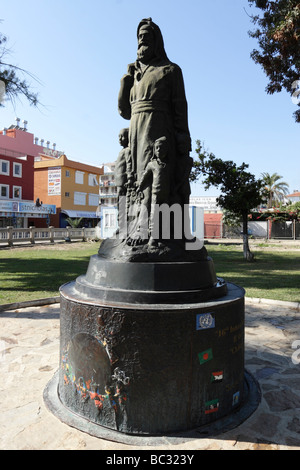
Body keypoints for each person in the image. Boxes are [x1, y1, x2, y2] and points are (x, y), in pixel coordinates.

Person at [118, 18, 191, 215]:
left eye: (146, 36)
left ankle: (154, 230)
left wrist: (183, 135)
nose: (142, 40)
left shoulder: (170, 70)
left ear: (156, 40)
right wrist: (126, 81)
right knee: (134, 177)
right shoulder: (133, 74)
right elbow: (124, 112)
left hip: (157, 128)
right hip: (135, 132)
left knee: (154, 177)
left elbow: (180, 107)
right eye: (139, 37)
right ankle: (133, 225)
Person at [136, 136, 170, 246]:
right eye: (157, 148)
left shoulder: (168, 166)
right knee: (154, 216)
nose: (159, 150)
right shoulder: (152, 164)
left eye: (162, 148)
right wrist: (139, 187)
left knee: (165, 216)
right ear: (154, 151)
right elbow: (144, 177)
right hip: (155, 194)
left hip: (166, 195)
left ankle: (163, 238)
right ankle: (153, 238)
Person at [114, 128, 133, 232]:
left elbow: (129, 164)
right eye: (119, 137)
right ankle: (121, 225)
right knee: (119, 203)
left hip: (123, 182)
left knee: (123, 203)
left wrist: (129, 177)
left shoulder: (127, 151)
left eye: (122, 136)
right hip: (119, 182)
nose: (120, 139)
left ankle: (123, 225)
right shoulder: (122, 151)